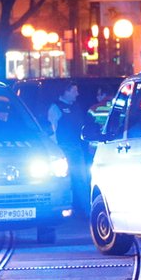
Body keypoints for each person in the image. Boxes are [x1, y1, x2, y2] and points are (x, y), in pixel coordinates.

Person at [47, 82, 94, 218]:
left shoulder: (75, 107)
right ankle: (68, 210)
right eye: (74, 91)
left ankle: (86, 211)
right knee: (67, 181)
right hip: (64, 148)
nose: (77, 94)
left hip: (76, 147)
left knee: (81, 180)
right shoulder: (56, 108)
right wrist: (56, 150)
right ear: (65, 92)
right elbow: (53, 131)